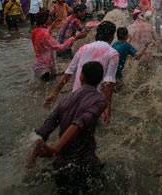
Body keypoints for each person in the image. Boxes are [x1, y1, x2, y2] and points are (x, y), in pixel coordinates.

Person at [31, 62, 108, 195]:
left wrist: (31, 160)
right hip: (83, 164)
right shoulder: (100, 100)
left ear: (81, 77)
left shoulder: (66, 98)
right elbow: (79, 123)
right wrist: (55, 148)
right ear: (101, 79)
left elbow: (44, 129)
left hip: (60, 165)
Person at [31, 11, 87, 81]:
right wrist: (74, 37)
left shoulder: (35, 31)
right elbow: (60, 48)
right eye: (49, 17)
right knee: (49, 87)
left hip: (38, 64)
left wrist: (53, 25)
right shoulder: (45, 34)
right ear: (45, 19)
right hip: (45, 67)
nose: (51, 18)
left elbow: (46, 33)